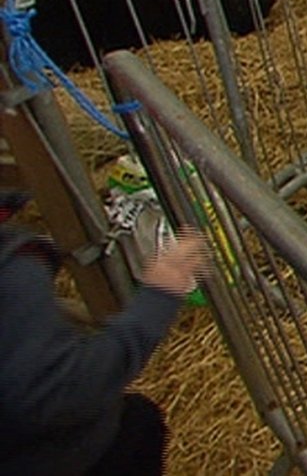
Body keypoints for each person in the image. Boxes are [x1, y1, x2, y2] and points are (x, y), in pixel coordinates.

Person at [1, 191, 210, 475]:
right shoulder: (11, 273)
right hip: (68, 457)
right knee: (139, 424)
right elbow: (60, 388)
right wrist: (161, 292)